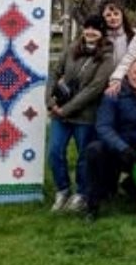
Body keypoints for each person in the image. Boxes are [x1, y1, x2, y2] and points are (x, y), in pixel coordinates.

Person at [47, 14, 116, 213]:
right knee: (54, 151)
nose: (90, 32)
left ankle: (81, 193)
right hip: (60, 112)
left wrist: (66, 109)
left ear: (102, 32)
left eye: (96, 29)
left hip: (86, 114)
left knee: (83, 156)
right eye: (88, 27)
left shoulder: (106, 57)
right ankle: (62, 190)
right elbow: (55, 73)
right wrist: (50, 101)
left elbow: (94, 89)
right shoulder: (72, 49)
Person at [83, 58, 136, 221]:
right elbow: (104, 127)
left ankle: (132, 185)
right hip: (117, 148)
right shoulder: (112, 94)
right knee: (94, 150)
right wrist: (122, 147)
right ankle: (92, 205)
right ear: (128, 74)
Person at [100, 0, 135, 66]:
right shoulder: (100, 37)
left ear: (122, 16)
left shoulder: (135, 35)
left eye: (116, 14)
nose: (113, 17)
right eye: (108, 15)